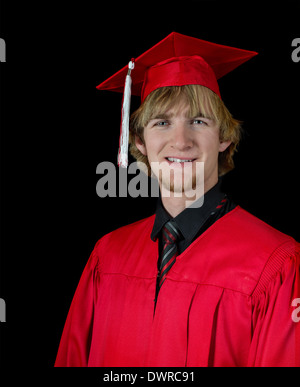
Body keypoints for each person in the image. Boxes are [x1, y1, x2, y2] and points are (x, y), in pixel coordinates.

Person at [55, 32, 300, 367]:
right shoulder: (106, 256)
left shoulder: (277, 264)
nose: (181, 141)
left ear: (224, 136)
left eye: (198, 121)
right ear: (140, 141)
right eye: (162, 122)